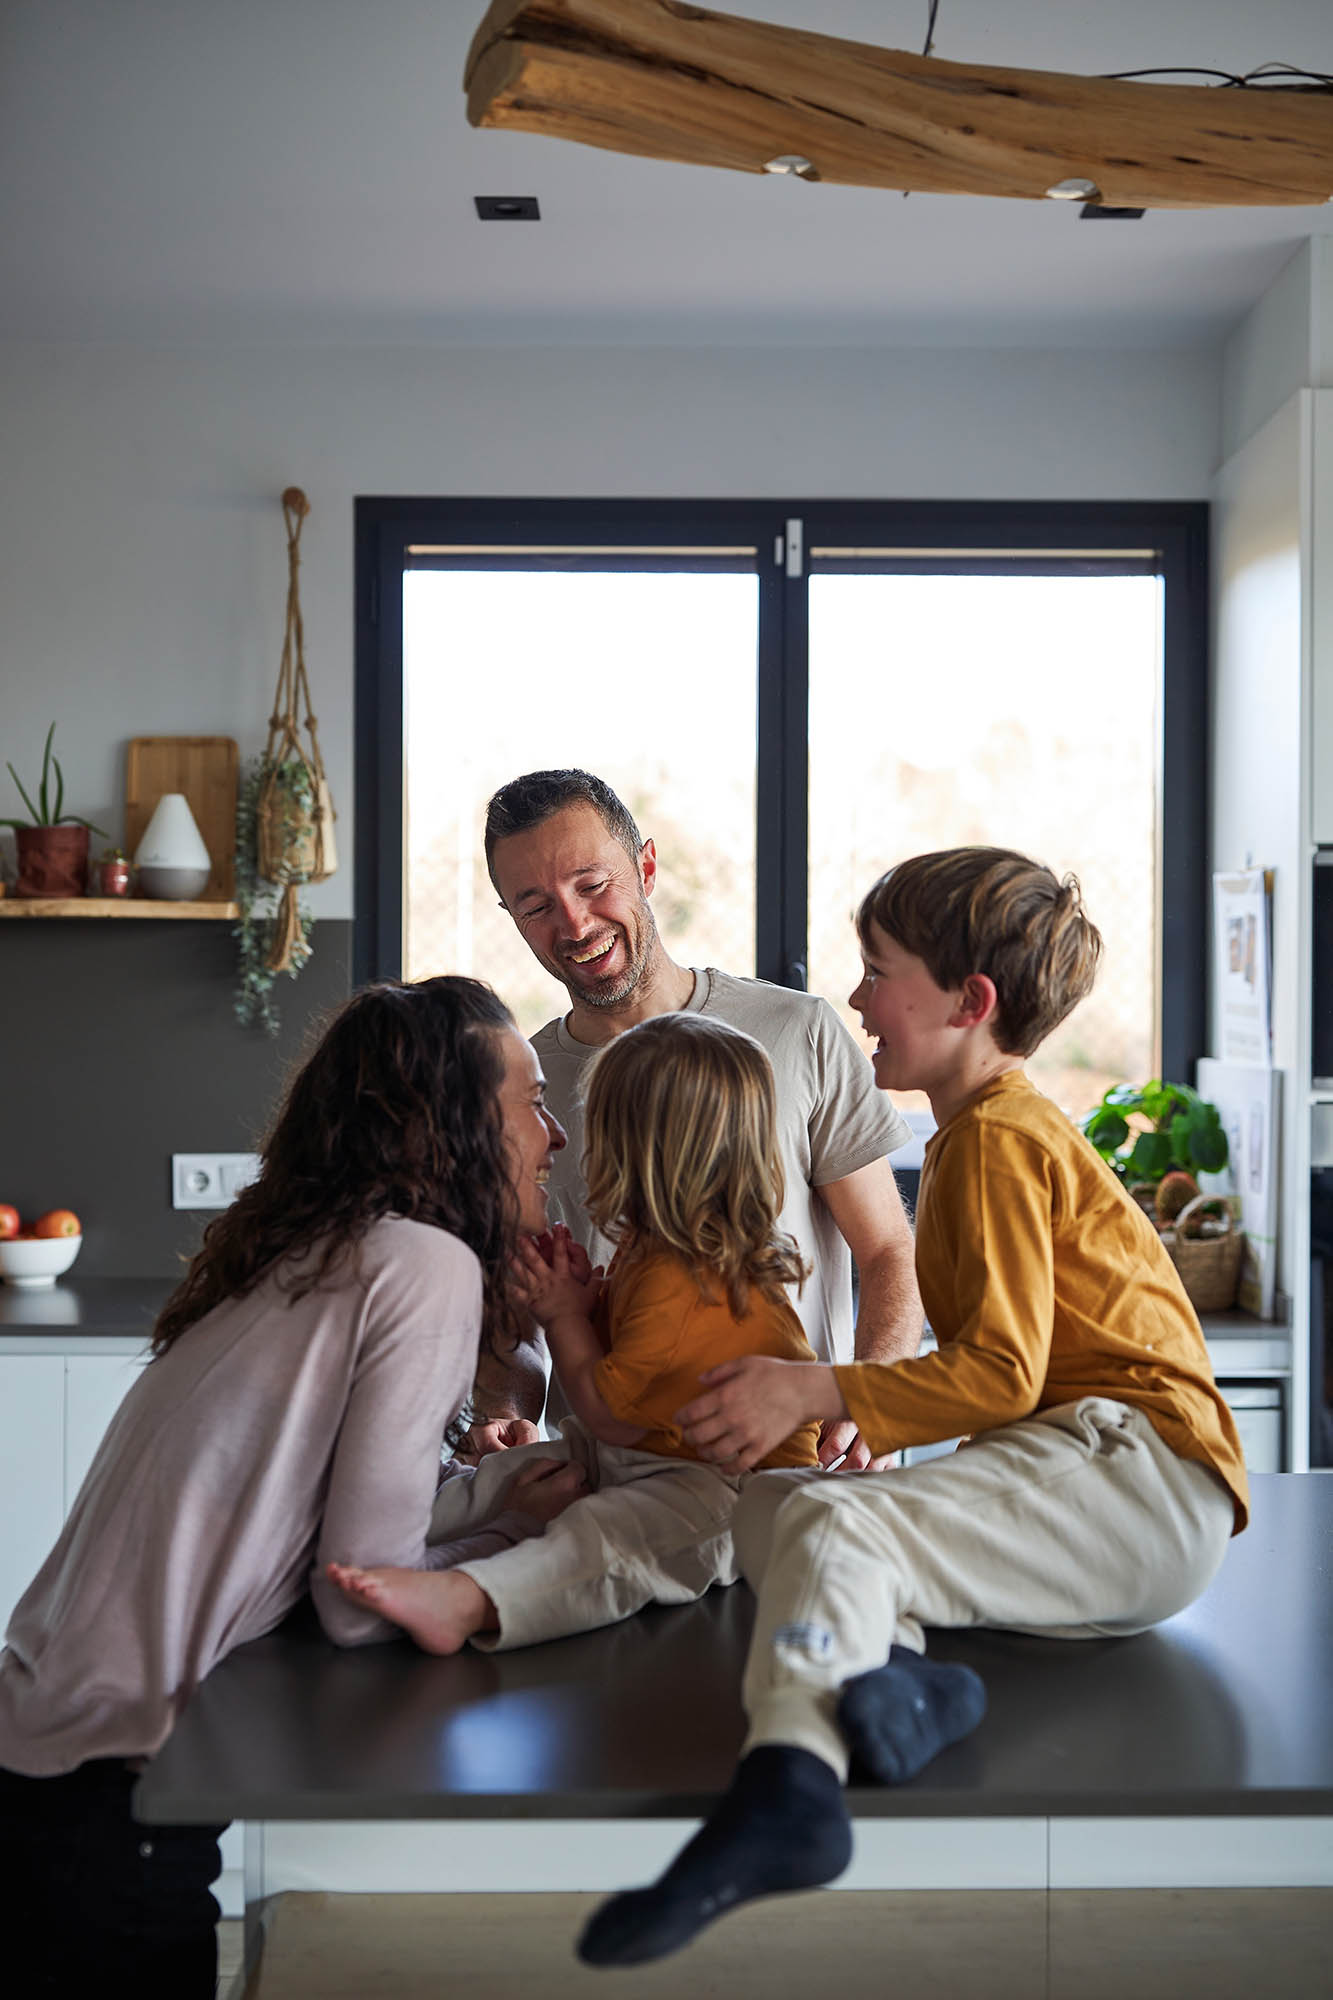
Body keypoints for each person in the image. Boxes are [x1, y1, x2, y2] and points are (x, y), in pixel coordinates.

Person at [576, 846, 1250, 1967]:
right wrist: (866, 1409)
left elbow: (1000, 1376)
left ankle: (790, 1779)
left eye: (876, 968)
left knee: (838, 1521)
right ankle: (896, 1685)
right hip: (1097, 1491)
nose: (855, 999)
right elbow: (999, 1375)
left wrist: (824, 1384)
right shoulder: (981, 1132)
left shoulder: (992, 1138)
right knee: (779, 1507)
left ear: (967, 1001)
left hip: (1143, 1475)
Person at [0, 975, 586, 1998]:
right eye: (532, 1102)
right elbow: (360, 1595)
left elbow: (322, 1517)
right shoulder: (423, 1262)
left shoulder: (317, 1252)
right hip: (111, 1788)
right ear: (452, 1123)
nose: (556, 1135)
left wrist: (486, 1481)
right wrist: (515, 1537)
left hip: (43, 1754)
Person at [464, 768, 923, 1472]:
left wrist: (873, 1396)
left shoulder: (795, 1030)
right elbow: (519, 1303)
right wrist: (503, 1411)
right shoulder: (519, 1086)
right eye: (535, 905)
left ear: (645, 866)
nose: (574, 923)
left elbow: (889, 1248)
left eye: (592, 885)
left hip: (805, 1470)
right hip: (616, 1483)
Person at [327, 1013, 824, 1655]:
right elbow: (639, 1377)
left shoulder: (695, 1277)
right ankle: (376, 1531)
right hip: (640, 1452)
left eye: (600, 1128)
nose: (574, 1142)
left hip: (732, 1489)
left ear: (643, 1147)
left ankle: (471, 1601)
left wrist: (563, 1316)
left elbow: (613, 1413)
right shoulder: (655, 1248)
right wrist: (585, 1303)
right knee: (506, 1474)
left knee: (607, 1539)